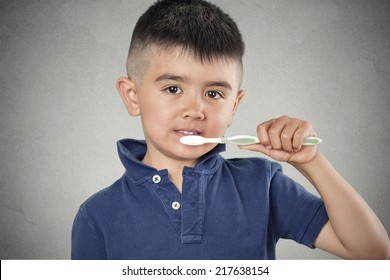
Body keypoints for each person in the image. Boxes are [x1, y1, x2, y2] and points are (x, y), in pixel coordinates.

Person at [71, 0, 390, 260]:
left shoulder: (263, 185)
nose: (195, 110)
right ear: (132, 95)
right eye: (172, 89)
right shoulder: (97, 216)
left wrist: (310, 161)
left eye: (213, 94)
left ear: (233, 106)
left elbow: (374, 254)